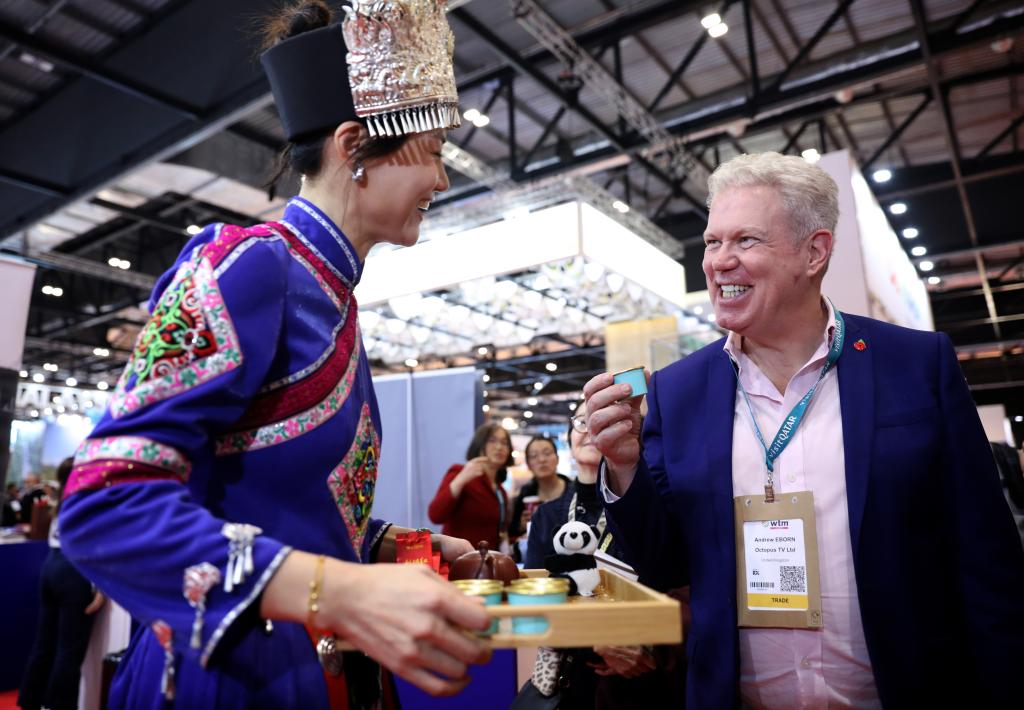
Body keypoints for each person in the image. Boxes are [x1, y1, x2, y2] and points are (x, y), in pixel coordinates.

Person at [58, 2, 491, 708]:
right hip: (227, 679)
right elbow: (102, 502)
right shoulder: (250, 267)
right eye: (436, 150)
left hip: (311, 673)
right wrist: (343, 590)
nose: (442, 180)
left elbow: (275, 499)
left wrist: (386, 545)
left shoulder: (332, 296)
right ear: (354, 145)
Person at [586, 151, 1024, 708]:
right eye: (712, 242)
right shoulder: (678, 390)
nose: (719, 261)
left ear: (814, 252)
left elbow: (986, 558)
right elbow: (662, 563)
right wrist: (624, 467)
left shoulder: (915, 365)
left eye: (746, 240)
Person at [522, 402, 684, 709]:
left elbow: (667, 584)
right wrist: (594, 638)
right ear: (569, 439)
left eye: (604, 422)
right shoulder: (547, 516)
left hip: (640, 673)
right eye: (582, 422)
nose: (590, 430)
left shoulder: (645, 509)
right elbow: (534, 601)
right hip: (568, 674)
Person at [19, 458, 105, 710]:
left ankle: (30, 700)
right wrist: (101, 586)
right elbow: (93, 544)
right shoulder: (87, 499)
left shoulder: (64, 499)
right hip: (73, 571)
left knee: (44, 643)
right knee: (69, 650)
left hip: (52, 566)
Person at [428, 423, 513, 551]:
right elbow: (435, 515)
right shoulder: (459, 472)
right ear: (480, 444)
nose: (499, 447)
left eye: (505, 443)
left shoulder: (501, 491)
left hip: (487, 560)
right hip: (457, 558)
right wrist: (461, 479)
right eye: (492, 440)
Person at [508, 435, 570, 549]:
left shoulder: (572, 489)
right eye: (534, 456)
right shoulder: (526, 493)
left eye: (547, 453)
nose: (542, 460)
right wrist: (522, 526)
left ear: (557, 459)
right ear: (528, 464)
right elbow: (513, 531)